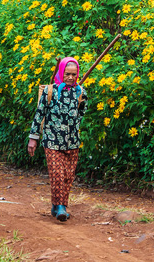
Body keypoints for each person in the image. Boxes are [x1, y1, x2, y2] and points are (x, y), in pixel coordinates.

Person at [27, 57, 87, 221]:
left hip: (72, 142)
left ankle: (56, 204)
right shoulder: (49, 91)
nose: (70, 77)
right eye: (67, 74)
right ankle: (61, 207)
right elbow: (39, 115)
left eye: (73, 75)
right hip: (52, 141)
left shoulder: (81, 92)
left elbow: (81, 115)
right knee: (58, 175)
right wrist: (34, 138)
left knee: (68, 176)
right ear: (61, 72)